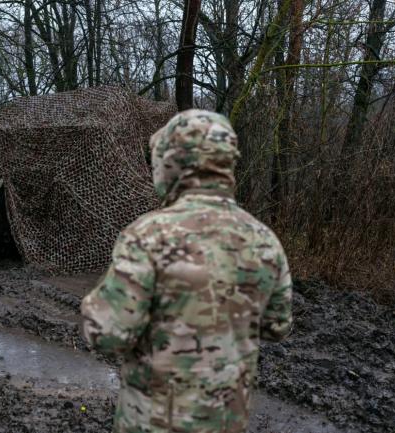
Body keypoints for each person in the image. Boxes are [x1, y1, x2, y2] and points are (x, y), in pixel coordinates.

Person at [81, 110, 293, 433]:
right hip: (227, 422)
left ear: (171, 162)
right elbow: (278, 325)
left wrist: (93, 304)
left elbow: (106, 333)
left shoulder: (148, 236)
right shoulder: (265, 241)